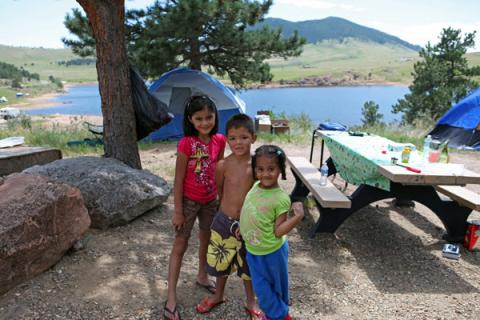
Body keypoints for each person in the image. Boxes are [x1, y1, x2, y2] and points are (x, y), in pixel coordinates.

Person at [164, 95, 226, 320]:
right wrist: (178, 210)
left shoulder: (220, 140)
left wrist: (221, 200)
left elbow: (218, 172)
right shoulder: (186, 143)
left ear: (215, 116)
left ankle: (202, 275)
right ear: (190, 120)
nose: (204, 123)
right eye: (199, 118)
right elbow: (178, 179)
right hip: (189, 202)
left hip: (211, 201)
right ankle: (171, 296)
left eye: (209, 117)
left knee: (206, 239)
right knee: (180, 244)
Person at [195, 114, 262, 319]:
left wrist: (251, 222)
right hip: (223, 221)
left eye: (243, 137)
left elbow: (260, 197)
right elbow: (221, 193)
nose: (238, 142)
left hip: (248, 226)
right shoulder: (223, 165)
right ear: (227, 139)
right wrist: (224, 215)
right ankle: (218, 295)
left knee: (248, 265)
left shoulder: (257, 166)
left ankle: (251, 301)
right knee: (220, 264)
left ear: (253, 138)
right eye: (232, 138)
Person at [240, 145, 304, 320]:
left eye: (271, 169)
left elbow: (279, 231)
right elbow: (250, 209)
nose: (265, 174)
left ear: (280, 170)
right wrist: (243, 227)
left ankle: (282, 316)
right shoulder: (255, 187)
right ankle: (274, 314)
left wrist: (297, 217)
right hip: (253, 250)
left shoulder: (281, 198)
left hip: (271, 252)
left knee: (270, 288)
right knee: (263, 287)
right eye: (260, 169)